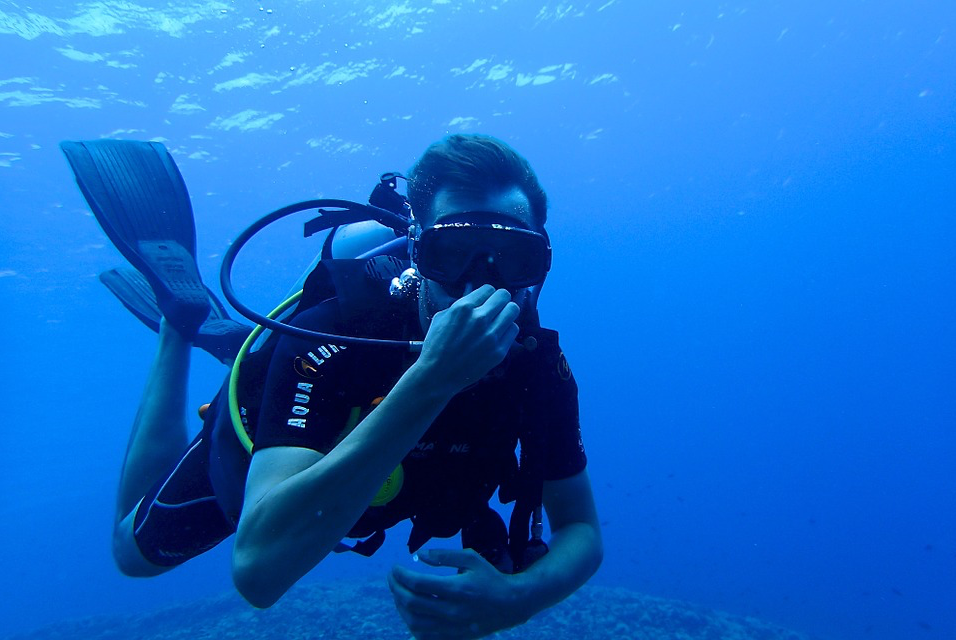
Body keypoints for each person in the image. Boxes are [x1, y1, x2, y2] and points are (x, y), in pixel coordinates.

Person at [62, 134, 603, 639]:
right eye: (450, 253)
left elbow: (580, 527)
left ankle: (212, 332)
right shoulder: (331, 335)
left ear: (540, 263)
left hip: (369, 473)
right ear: (417, 250)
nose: (480, 282)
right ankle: (178, 324)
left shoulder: (536, 366)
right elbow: (257, 574)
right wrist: (432, 381)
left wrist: (519, 598)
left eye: (513, 257)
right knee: (130, 557)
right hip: (285, 416)